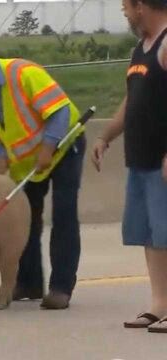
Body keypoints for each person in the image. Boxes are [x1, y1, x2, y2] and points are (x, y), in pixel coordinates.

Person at [0, 44, 86, 310]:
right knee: (24, 221)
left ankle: (61, 288)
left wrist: (47, 148)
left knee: (64, 216)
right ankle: (28, 282)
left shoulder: (24, 73)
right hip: (27, 164)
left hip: (64, 148)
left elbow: (59, 112)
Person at [92, 0, 167, 332]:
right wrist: (106, 136)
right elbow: (132, 97)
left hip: (162, 161)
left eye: (126, 6)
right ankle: (159, 305)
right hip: (140, 160)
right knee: (152, 236)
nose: (124, 13)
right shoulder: (141, 49)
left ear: (141, 6)